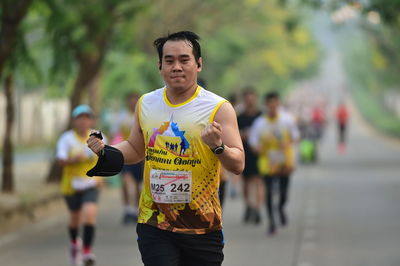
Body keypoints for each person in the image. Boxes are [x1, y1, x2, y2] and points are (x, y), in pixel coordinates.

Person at [87, 31, 244, 266]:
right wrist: (105, 150)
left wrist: (218, 147)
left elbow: (238, 164)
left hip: (201, 225)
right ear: (160, 66)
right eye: (169, 61)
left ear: (198, 64)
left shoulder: (218, 108)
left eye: (184, 60)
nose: (176, 67)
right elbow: (135, 149)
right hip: (154, 222)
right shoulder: (147, 103)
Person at [56, 105, 105, 266]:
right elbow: (60, 161)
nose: (83, 121)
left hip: (91, 184)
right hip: (72, 186)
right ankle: (74, 244)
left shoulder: (97, 136)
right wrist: (73, 160)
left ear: (91, 120)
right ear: (74, 120)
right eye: (80, 118)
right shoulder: (66, 138)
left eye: (86, 117)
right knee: (75, 220)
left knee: (89, 214)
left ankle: (86, 252)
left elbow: (108, 156)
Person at [249, 92, 299, 235]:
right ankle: (271, 222)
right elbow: (253, 141)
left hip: (284, 160)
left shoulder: (287, 120)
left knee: (283, 192)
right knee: (269, 192)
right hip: (267, 161)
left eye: (275, 104)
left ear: (278, 104)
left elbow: (295, 137)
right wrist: (257, 148)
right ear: (266, 105)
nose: (273, 108)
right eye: (270, 105)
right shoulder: (260, 123)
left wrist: (287, 143)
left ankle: (281, 208)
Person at [110, 92, 144, 224]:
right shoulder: (121, 117)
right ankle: (127, 208)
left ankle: (135, 210)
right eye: (131, 100)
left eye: (135, 100)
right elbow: (114, 134)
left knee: (138, 184)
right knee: (126, 181)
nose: (133, 103)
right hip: (125, 153)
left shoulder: (143, 116)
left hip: (140, 155)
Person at [237, 88, 263, 224]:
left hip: (259, 153)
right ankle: (248, 205)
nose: (250, 100)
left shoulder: (261, 116)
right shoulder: (239, 117)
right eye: (247, 98)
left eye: (252, 98)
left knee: (259, 181)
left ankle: (257, 208)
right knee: (246, 182)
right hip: (244, 152)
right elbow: (234, 134)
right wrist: (243, 135)